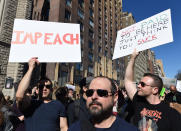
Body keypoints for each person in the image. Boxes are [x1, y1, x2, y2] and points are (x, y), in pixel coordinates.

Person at [124, 50, 181, 131]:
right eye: (139, 83)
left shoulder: (172, 113)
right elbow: (128, 81)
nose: (138, 86)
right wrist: (133, 58)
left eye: (143, 84)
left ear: (155, 90)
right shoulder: (138, 102)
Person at [16, 57, 68, 131]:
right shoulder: (30, 104)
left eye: (48, 86)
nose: (44, 88)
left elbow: (64, 127)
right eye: (41, 86)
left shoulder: (58, 105)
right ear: (37, 90)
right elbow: (19, 95)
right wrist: (30, 68)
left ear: (52, 90)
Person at [68, 76, 138, 131]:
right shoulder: (74, 128)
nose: (94, 97)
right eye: (90, 93)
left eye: (101, 93)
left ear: (115, 97)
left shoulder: (129, 129)